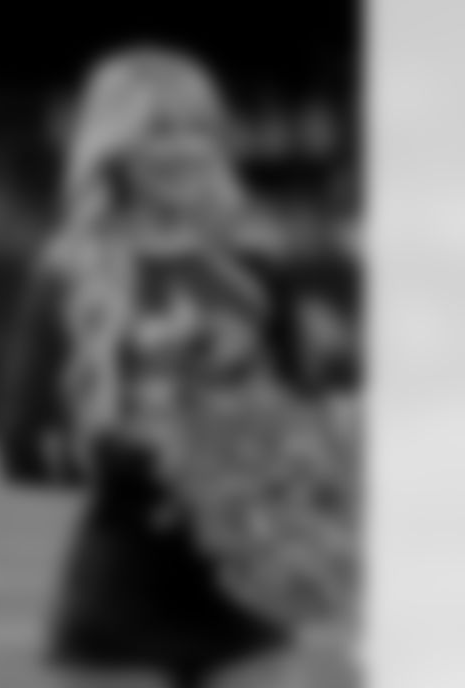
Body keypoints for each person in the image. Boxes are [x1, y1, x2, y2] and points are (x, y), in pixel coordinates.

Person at [37, 48, 305, 688]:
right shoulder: (70, 276)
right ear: (116, 147)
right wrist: (146, 449)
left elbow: (294, 416)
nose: (183, 147)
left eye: (197, 127)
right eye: (159, 129)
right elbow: (25, 443)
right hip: (121, 601)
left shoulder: (260, 268)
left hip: (246, 601)